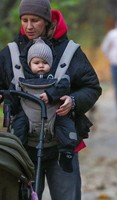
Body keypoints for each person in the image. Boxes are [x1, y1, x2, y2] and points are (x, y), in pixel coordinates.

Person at [0, 0, 102, 199]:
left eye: (35, 21)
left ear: (46, 21)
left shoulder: (70, 52)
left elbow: (92, 87)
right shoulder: (10, 53)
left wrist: (73, 101)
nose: (29, 26)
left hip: (62, 146)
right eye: (24, 20)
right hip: (22, 149)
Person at [5, 37, 81, 173]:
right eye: (37, 62)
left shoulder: (57, 77)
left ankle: (67, 154)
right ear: (29, 64)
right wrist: (9, 106)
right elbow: (12, 94)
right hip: (28, 111)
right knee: (18, 128)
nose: (41, 65)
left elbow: (64, 85)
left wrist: (51, 94)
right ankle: (18, 154)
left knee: (66, 127)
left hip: (53, 111)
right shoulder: (22, 78)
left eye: (45, 62)